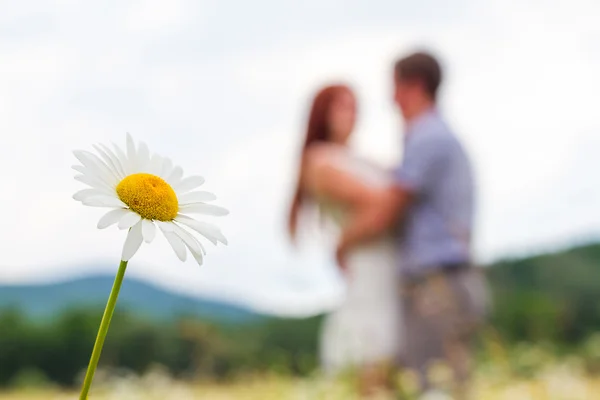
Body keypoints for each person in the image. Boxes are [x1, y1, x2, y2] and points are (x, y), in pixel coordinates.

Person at [328, 52, 488, 398]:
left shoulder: (427, 137)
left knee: (432, 387)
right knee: (445, 384)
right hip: (448, 278)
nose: (391, 99)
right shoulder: (434, 136)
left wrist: (342, 242)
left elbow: (388, 209)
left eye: (395, 87)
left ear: (413, 86)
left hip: (435, 284)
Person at [288, 84, 402, 397]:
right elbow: (380, 203)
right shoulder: (320, 159)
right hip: (368, 267)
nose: (351, 114)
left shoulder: (363, 159)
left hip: (391, 267)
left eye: (355, 106)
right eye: (342, 106)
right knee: (372, 360)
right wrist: (343, 242)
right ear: (322, 113)